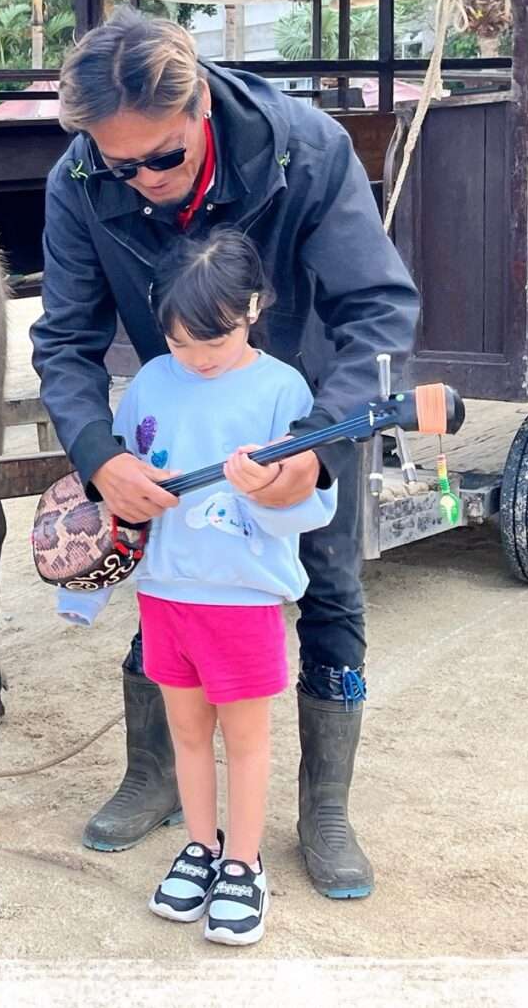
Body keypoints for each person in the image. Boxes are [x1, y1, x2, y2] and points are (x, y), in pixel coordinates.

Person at [30, 7, 419, 900]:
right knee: (171, 584)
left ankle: (325, 807)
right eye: (119, 165)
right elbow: (65, 341)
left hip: (307, 412)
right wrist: (99, 455)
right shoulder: (81, 178)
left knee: (328, 587)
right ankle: (154, 772)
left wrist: (319, 445)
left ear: (200, 101)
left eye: (161, 157)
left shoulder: (305, 149)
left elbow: (378, 307)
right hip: (177, 417)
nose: (142, 182)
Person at [114, 229, 335, 945]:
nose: (199, 358)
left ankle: (243, 862)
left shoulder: (282, 389)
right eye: (182, 342)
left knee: (243, 738)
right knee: (184, 730)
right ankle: (201, 845)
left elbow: (308, 500)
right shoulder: (151, 380)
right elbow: (123, 472)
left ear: (253, 307)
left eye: (215, 341)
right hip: (166, 592)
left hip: (241, 597)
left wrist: (268, 489)